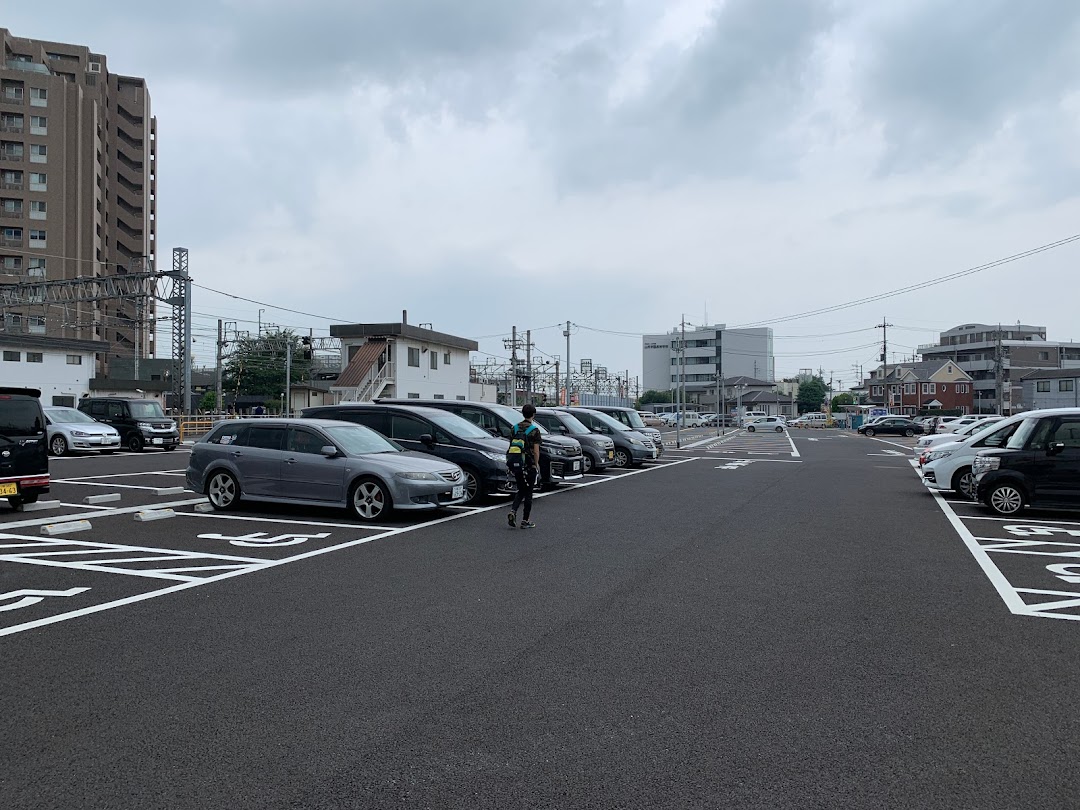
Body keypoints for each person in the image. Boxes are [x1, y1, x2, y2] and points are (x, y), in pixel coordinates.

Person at [507, 403, 542, 529]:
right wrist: (536, 465)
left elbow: (511, 446)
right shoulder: (534, 431)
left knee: (521, 489)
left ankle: (513, 511)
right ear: (533, 415)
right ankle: (525, 520)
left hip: (517, 464)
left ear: (522, 413)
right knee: (528, 492)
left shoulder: (514, 428)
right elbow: (536, 451)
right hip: (529, 465)